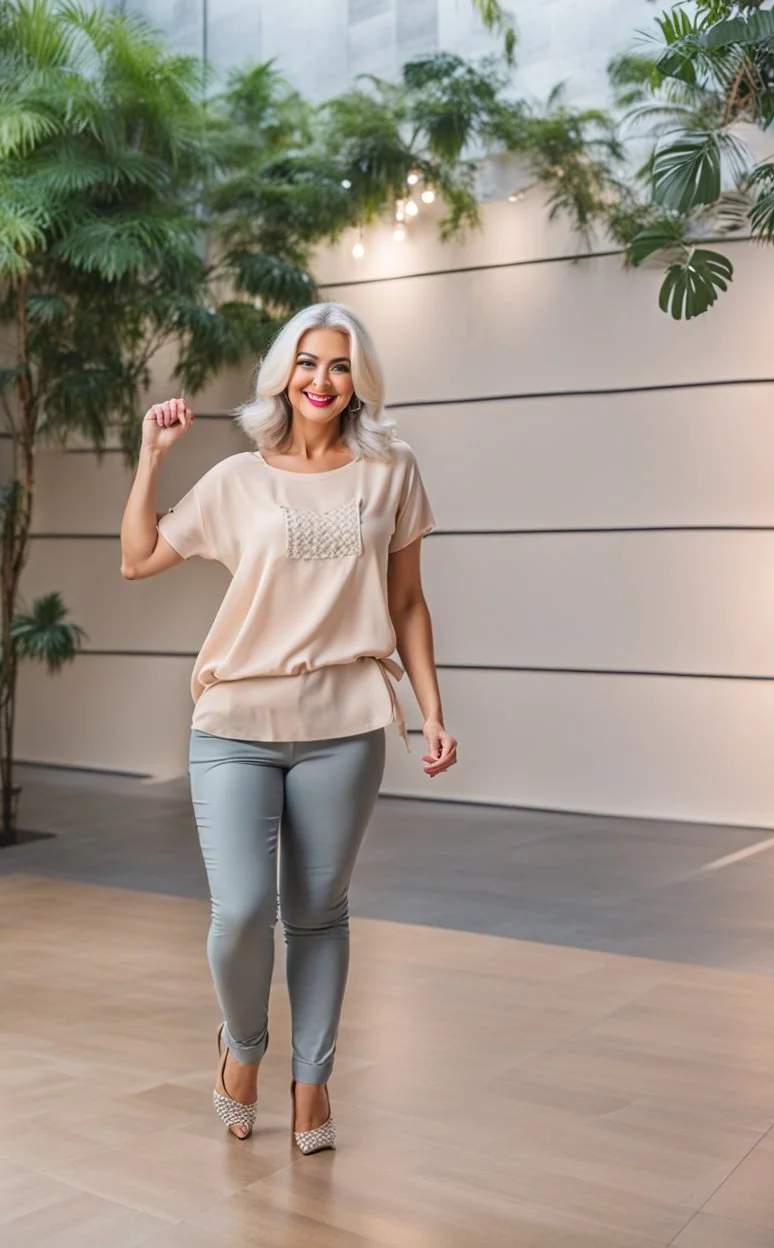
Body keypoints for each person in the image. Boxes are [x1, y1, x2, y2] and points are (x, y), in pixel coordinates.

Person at [119, 301, 458, 1154]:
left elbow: (408, 601)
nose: (321, 380)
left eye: (339, 365)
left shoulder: (393, 469)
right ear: (283, 374)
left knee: (316, 912)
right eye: (307, 363)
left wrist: (432, 713)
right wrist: (151, 457)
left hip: (346, 723)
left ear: (359, 381)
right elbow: (137, 559)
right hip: (235, 718)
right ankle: (242, 1047)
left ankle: (313, 1083)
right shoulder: (240, 479)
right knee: (239, 913)